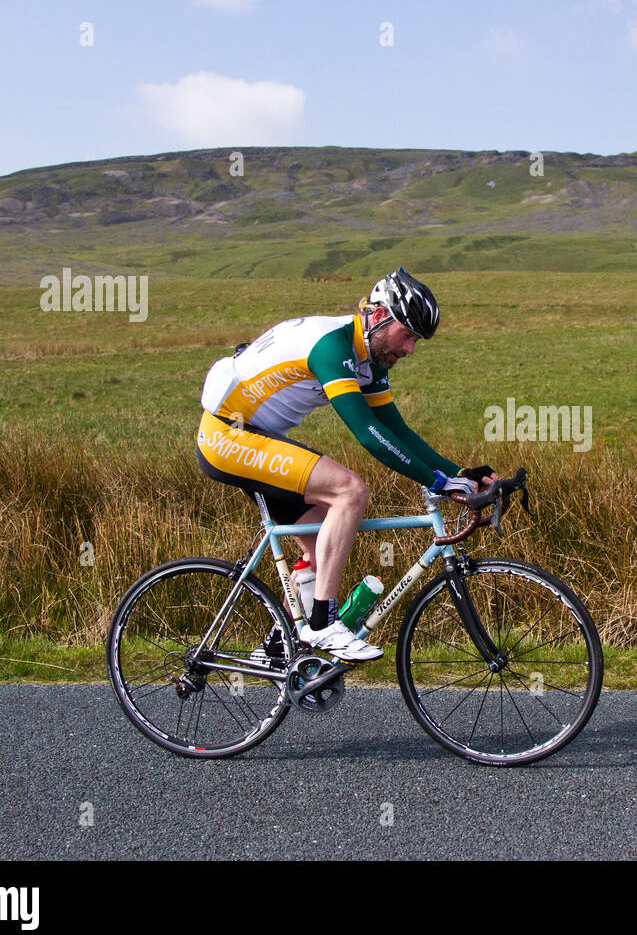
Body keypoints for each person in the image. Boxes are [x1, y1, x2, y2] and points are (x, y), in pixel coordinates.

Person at [195, 267, 496, 662]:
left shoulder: (368, 358)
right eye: (407, 335)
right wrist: (437, 483)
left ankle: (279, 647)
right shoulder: (333, 348)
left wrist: (459, 474)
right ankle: (322, 624)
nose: (410, 350)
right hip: (227, 436)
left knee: (321, 540)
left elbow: (396, 430)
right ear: (377, 316)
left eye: (416, 340)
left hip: (255, 435)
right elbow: (370, 435)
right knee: (349, 491)